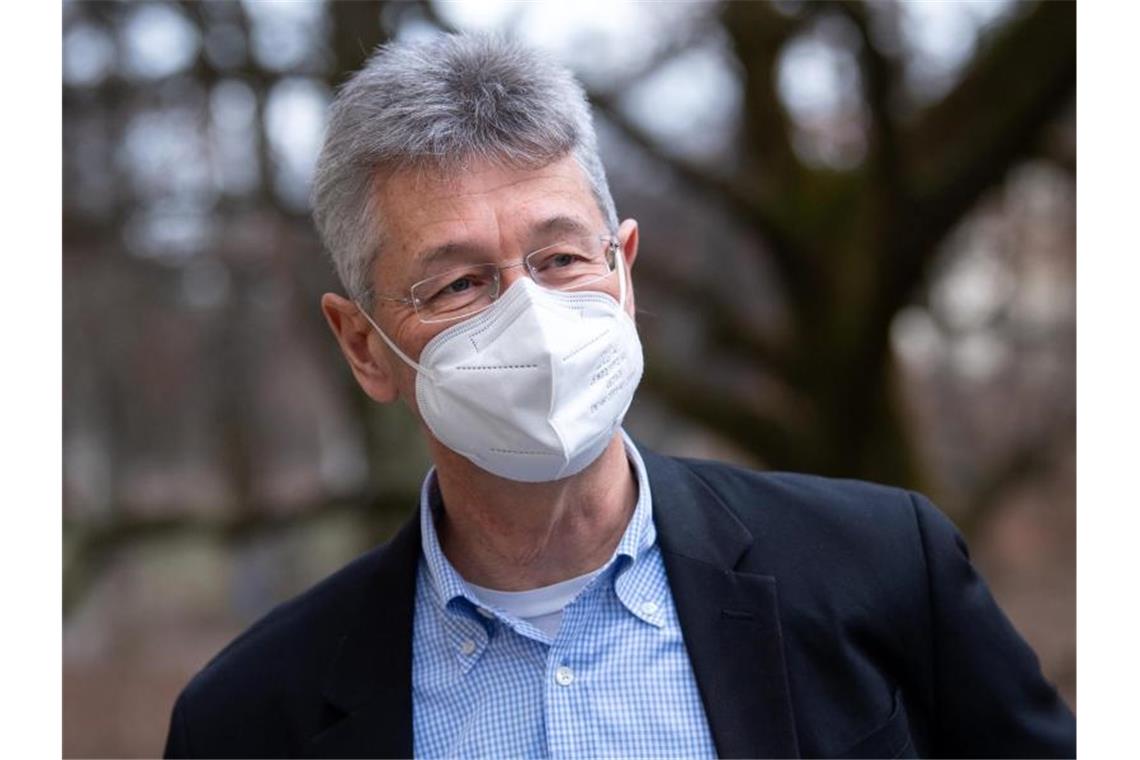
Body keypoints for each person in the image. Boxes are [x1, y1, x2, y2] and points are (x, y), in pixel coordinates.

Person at [163, 33, 1076, 759]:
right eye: (459, 286)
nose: (531, 316)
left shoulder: (882, 572)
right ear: (364, 346)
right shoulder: (251, 721)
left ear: (623, 271)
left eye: (560, 258)